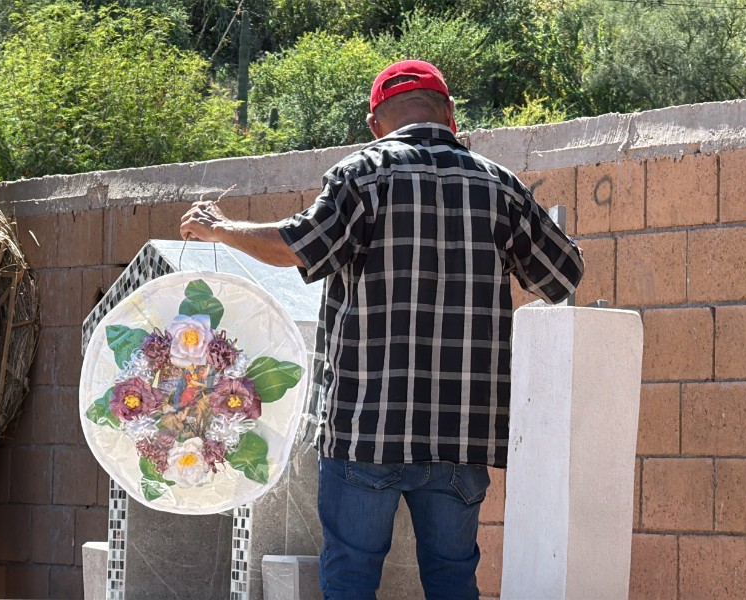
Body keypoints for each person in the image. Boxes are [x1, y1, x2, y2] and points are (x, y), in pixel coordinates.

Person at [180, 59, 584, 600]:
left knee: (350, 578)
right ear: (450, 116)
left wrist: (222, 230)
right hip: (461, 437)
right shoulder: (500, 187)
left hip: (364, 430)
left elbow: (296, 245)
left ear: (375, 123)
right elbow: (563, 276)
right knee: (452, 578)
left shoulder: (361, 175)